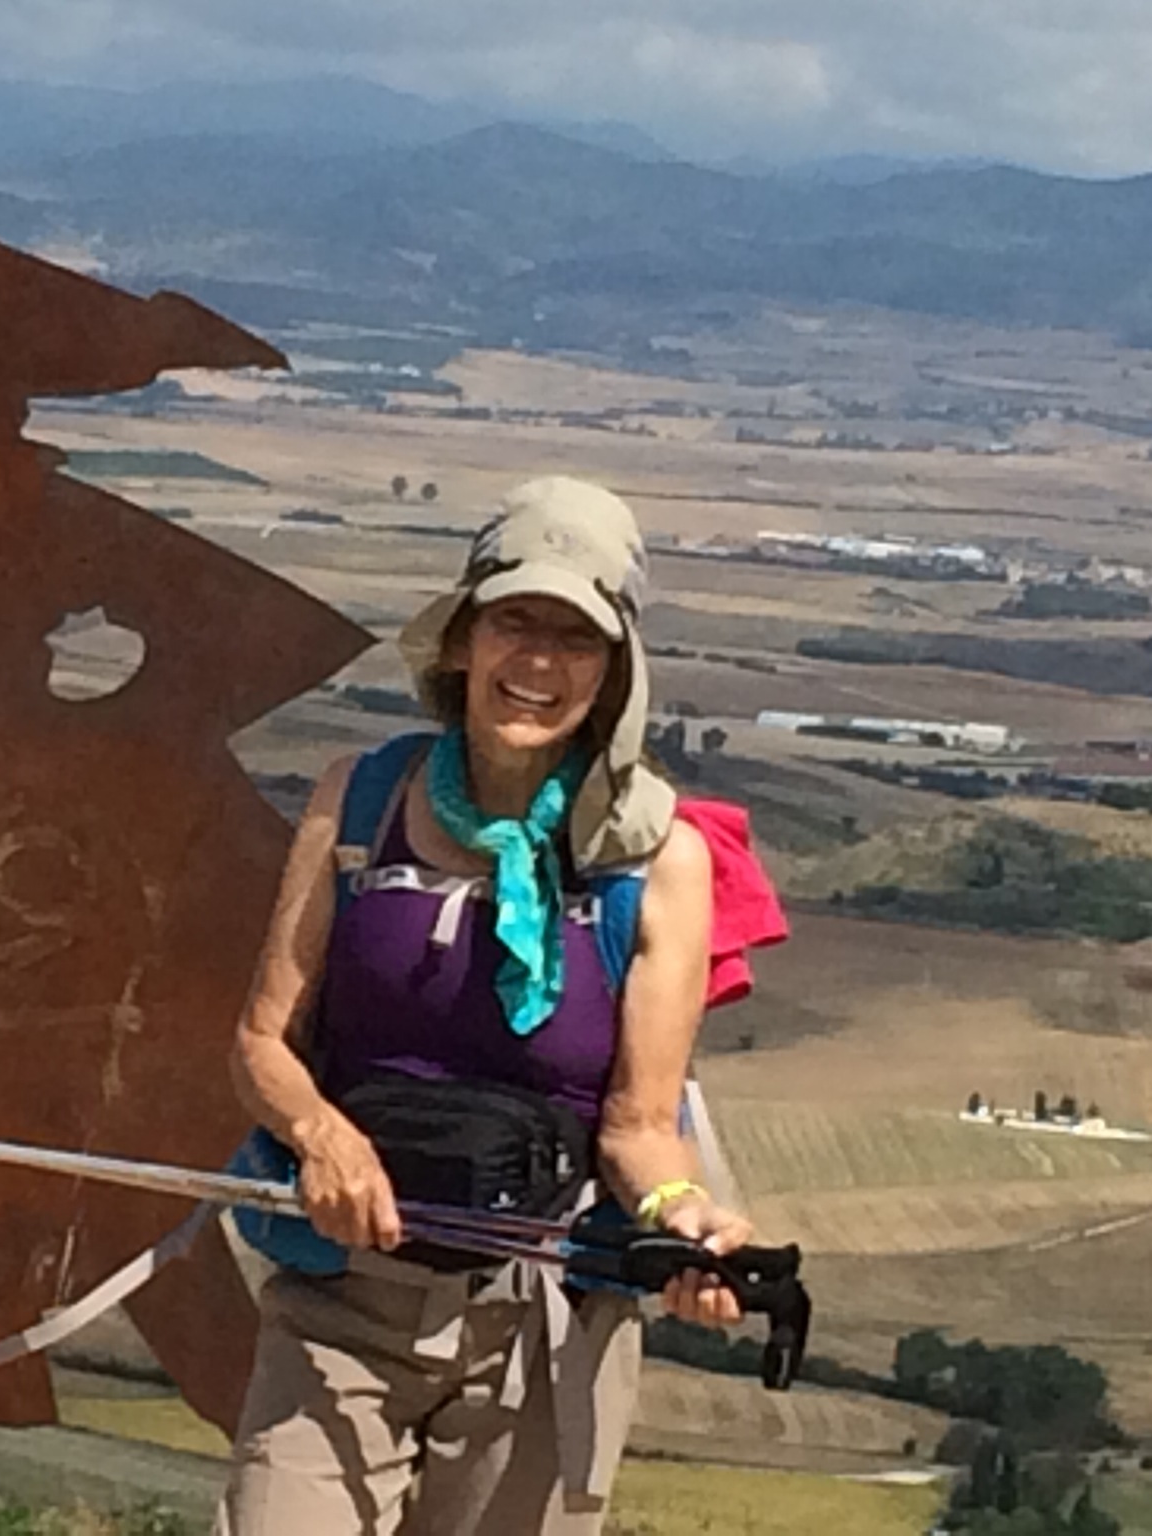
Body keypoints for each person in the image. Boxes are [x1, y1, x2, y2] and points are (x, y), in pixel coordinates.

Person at [221, 475, 764, 1535]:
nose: (539, 663)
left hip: (545, 1324)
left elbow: (637, 1126)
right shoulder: (358, 800)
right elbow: (260, 1044)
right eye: (516, 622)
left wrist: (679, 1215)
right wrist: (324, 1139)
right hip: (340, 1299)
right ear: (464, 639)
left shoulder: (659, 861)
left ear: (613, 670)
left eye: (575, 637)